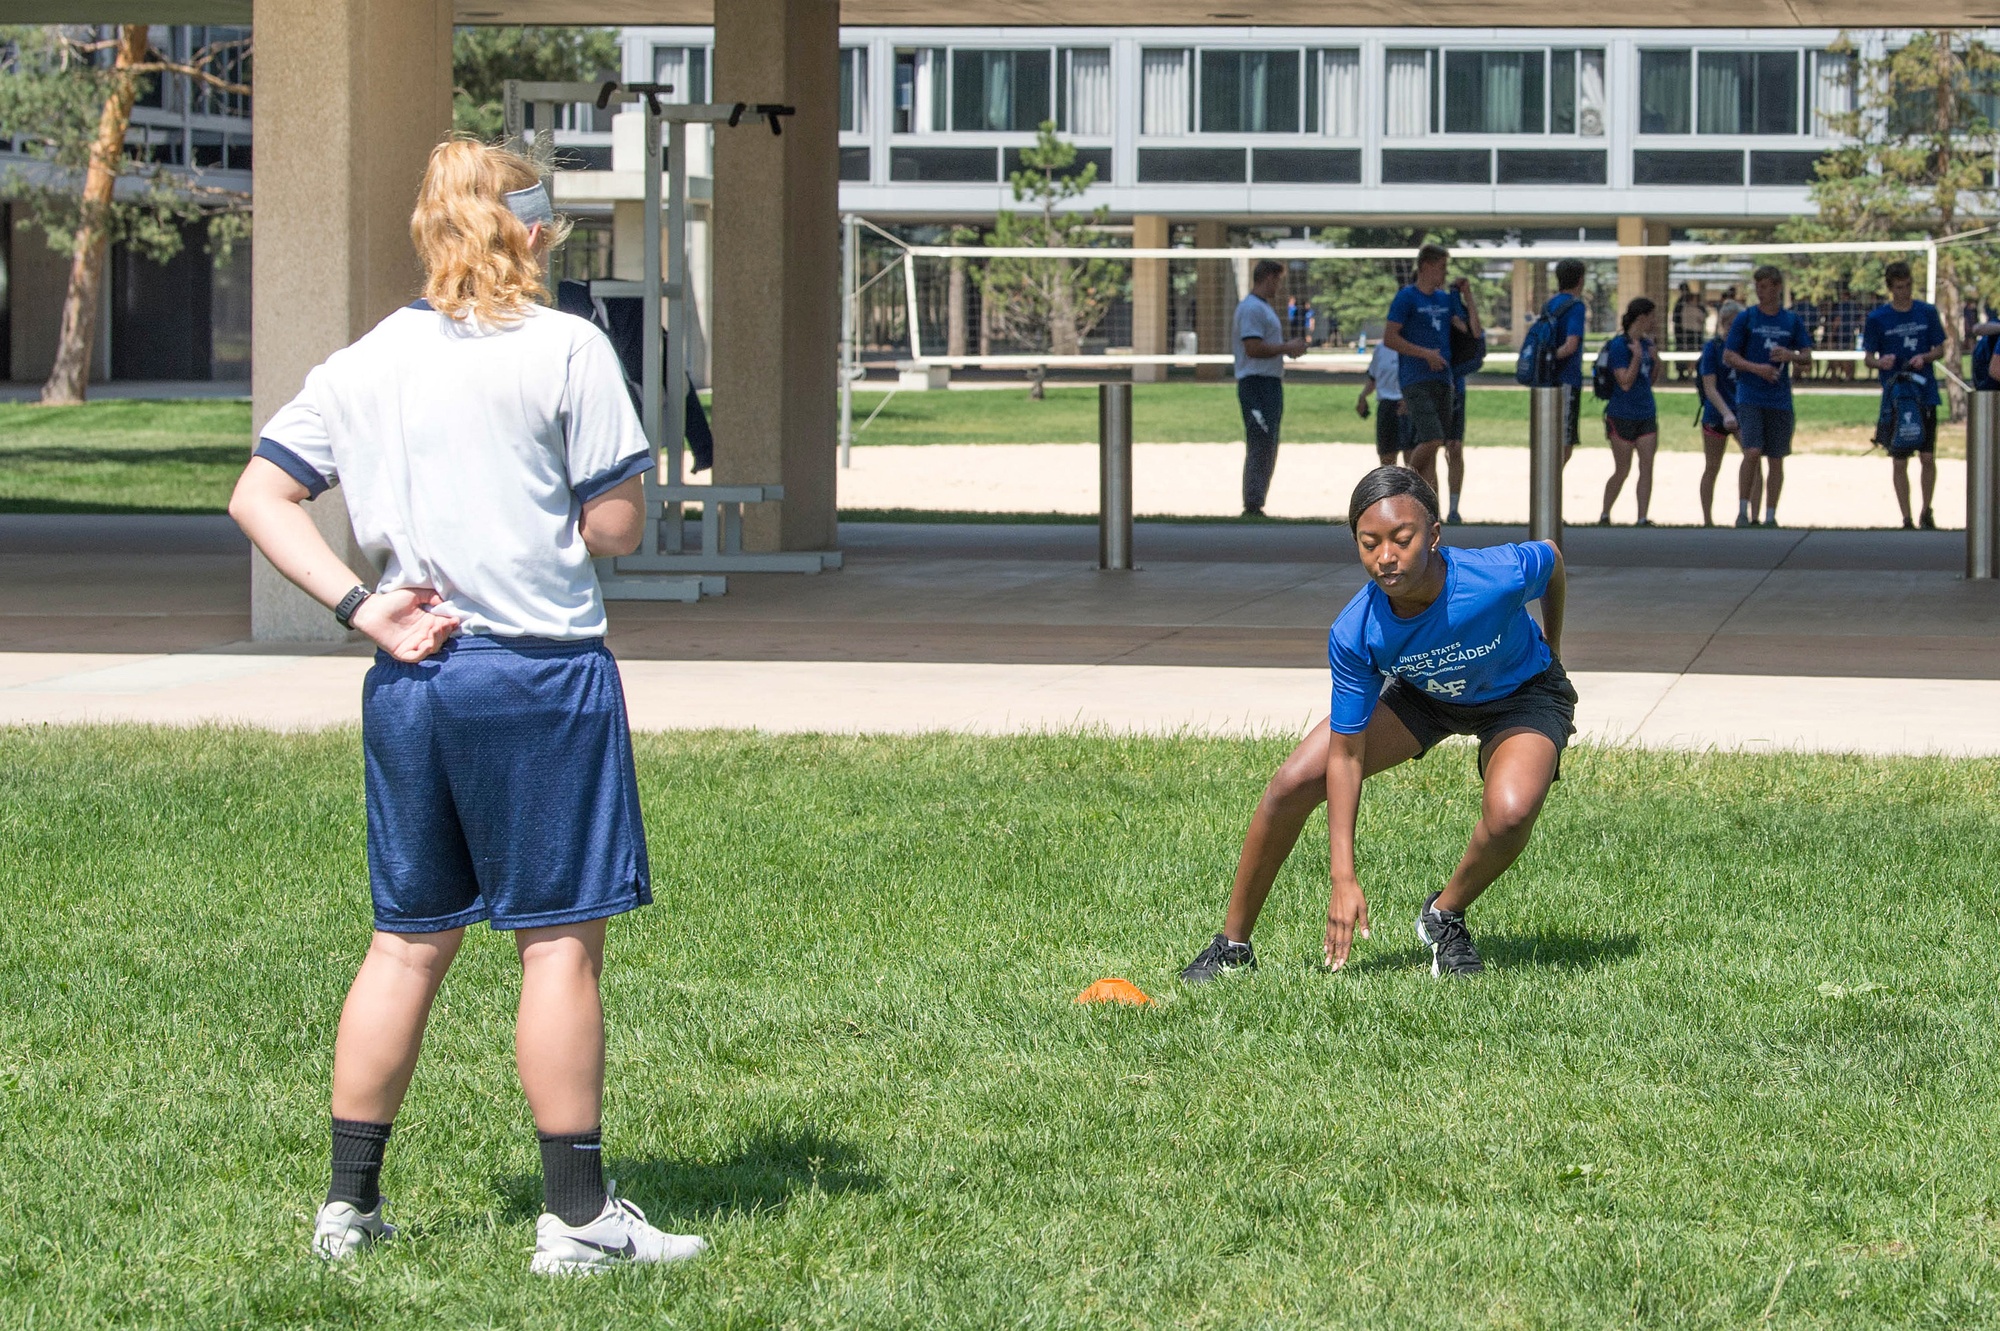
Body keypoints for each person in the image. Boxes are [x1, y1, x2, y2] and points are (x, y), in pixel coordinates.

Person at [229, 140, 706, 1275]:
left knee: (406, 941)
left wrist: (364, 605)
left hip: (412, 681)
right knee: (557, 946)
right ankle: (579, 1215)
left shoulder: (364, 360)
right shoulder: (566, 347)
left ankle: (347, 1206)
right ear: (523, 227)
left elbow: (262, 491)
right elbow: (615, 525)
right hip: (538, 675)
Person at [1179, 466, 1573, 983]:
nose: (1386, 556)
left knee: (1510, 814)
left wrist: (1554, 644)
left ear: (1433, 536)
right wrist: (1343, 876)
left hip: (1521, 695)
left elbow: (1553, 559)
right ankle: (1232, 948)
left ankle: (1443, 916)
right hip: (1426, 693)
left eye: (1402, 539)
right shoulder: (1356, 630)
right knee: (1291, 783)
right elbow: (1346, 753)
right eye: (1369, 544)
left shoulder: (1496, 575)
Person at [1724, 265, 1813, 528]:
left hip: (1779, 397)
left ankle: (1771, 514)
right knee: (1752, 451)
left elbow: (1807, 356)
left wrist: (1791, 356)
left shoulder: (1791, 321)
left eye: (1766, 286)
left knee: (1776, 456)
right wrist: (1757, 369)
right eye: (1758, 287)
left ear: (1777, 287)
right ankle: (1743, 510)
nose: (1761, 292)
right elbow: (1729, 355)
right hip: (1750, 394)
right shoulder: (1747, 318)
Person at [1863, 260, 1948, 530]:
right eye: (1900, 287)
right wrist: (1882, 362)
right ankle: (1906, 516)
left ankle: (1927, 510)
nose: (1905, 291)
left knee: (1927, 456)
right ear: (1891, 288)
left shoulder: (1926, 312)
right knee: (1900, 457)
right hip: (1897, 395)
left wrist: (1925, 356)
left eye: (1909, 285)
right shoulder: (1878, 319)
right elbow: (1868, 358)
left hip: (1924, 391)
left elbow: (1940, 349)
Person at [1383, 243, 1471, 495]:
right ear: (1426, 267)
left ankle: (1430, 508)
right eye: (1441, 267)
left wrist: (1468, 296)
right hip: (1415, 378)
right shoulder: (1406, 297)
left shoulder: (1444, 299)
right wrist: (1424, 354)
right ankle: (1399, 488)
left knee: (1435, 444)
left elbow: (1470, 331)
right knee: (1432, 439)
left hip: (1443, 379)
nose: (1444, 273)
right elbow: (1390, 337)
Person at [1235, 258, 1308, 517]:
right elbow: (1252, 347)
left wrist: (1287, 349)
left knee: (1269, 442)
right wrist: (1286, 348)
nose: (1279, 286)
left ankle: (1257, 501)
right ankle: (1252, 504)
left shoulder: (1263, 308)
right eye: (1277, 280)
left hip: (1270, 382)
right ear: (1267, 278)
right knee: (1260, 440)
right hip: (1256, 384)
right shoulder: (1252, 309)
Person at [1597, 297, 1662, 527]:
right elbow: (1624, 381)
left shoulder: (1646, 344)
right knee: (1622, 469)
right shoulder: (1619, 346)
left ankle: (1642, 517)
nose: (1654, 321)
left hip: (1646, 412)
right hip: (1621, 413)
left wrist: (1655, 360)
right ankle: (1605, 513)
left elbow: (1650, 380)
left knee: (1646, 466)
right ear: (1642, 317)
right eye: (1652, 316)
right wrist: (1635, 356)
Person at [1442, 279, 1487, 525]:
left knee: (1455, 447)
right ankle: (1426, 507)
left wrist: (1467, 294)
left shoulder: (1453, 302)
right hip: (1432, 381)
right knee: (1424, 446)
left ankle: (1454, 508)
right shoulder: (1425, 303)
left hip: (1454, 384)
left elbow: (1475, 332)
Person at [1696, 300, 1744, 527]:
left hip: (1743, 411)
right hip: (1717, 414)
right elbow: (1710, 387)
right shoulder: (1713, 348)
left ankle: (1749, 515)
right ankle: (1707, 519)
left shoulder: (1747, 347)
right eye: (1730, 323)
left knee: (1752, 458)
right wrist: (1726, 413)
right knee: (1712, 467)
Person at [1545, 258, 1591, 463]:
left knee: (1549, 438)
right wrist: (1553, 357)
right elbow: (1571, 345)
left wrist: (1545, 361)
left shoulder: (1549, 304)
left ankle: (1547, 488)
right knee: (1564, 444)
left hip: (1546, 380)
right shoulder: (1576, 306)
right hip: (1567, 379)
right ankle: (1550, 491)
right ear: (1580, 280)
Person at [1357, 336, 1407, 468]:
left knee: (1412, 457)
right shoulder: (1381, 348)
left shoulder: (1412, 346)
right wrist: (1363, 397)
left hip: (1408, 404)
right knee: (1387, 456)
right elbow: (1373, 378)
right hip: (1386, 405)